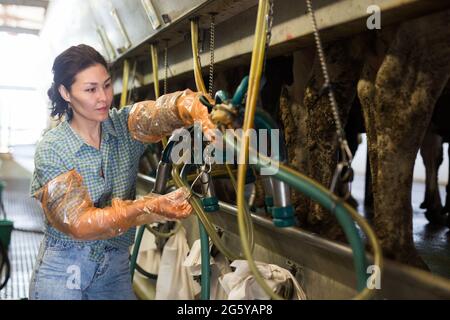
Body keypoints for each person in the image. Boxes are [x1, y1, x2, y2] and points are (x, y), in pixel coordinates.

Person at [29, 44, 214, 300]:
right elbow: (80, 224)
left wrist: (187, 105)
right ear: (65, 93)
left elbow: (158, 114)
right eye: (90, 89)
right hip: (65, 270)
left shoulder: (123, 126)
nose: (103, 97)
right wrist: (149, 207)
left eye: (106, 85)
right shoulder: (53, 148)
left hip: (114, 268)